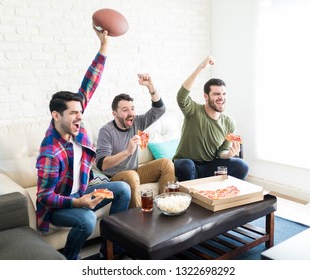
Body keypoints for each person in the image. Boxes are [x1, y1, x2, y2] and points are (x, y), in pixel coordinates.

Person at [35, 26, 131, 260]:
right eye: (73, 113)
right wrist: (78, 202)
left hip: (81, 190)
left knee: (123, 190)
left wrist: (104, 46)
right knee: (87, 219)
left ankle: (110, 251)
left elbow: (89, 83)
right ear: (56, 116)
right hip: (59, 206)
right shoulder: (50, 152)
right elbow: (44, 196)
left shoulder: (74, 123)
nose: (80, 116)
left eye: (80, 111)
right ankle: (69, 260)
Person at [96, 74, 175, 208]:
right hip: (115, 177)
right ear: (115, 114)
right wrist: (127, 152)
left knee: (166, 164)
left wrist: (151, 86)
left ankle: (167, 207)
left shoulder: (137, 122)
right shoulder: (106, 131)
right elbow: (102, 164)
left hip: (136, 171)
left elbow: (160, 109)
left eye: (132, 109)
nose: (131, 113)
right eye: (125, 110)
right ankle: (139, 221)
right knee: (131, 175)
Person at [173, 55, 249, 181]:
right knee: (187, 166)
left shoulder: (229, 123)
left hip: (210, 166)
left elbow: (222, 152)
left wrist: (229, 154)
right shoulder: (193, 110)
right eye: (216, 94)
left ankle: (225, 196)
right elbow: (181, 96)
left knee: (242, 166)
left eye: (224, 93)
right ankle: (194, 199)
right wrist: (200, 68)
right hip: (186, 163)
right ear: (206, 96)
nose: (221, 97)